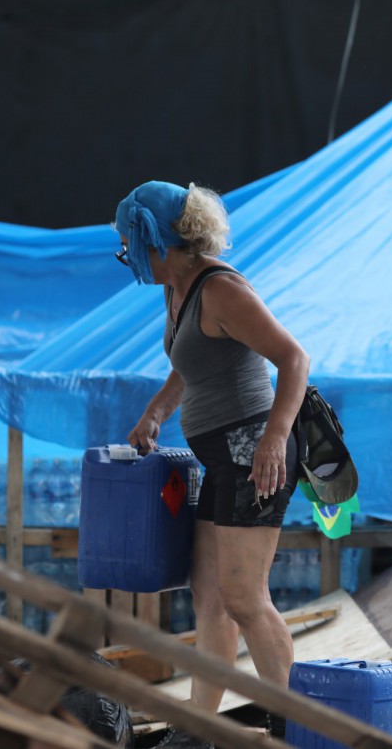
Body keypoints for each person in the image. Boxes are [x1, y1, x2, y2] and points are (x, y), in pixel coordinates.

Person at [114, 181, 310, 746]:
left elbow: (294, 359)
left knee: (245, 598)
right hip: (220, 459)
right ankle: (196, 728)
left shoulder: (220, 288)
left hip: (256, 454)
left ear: (154, 239)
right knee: (210, 597)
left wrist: (276, 437)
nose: (130, 256)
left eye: (132, 243)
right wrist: (155, 413)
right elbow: (191, 362)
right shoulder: (175, 290)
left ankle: (294, 727)